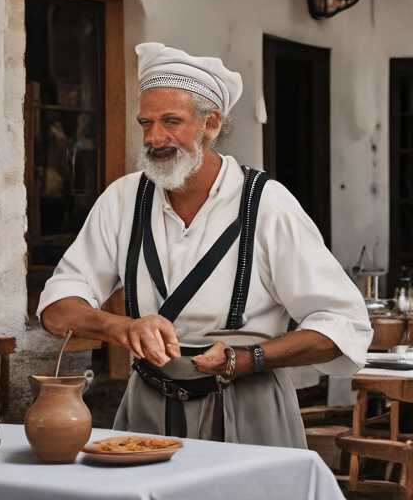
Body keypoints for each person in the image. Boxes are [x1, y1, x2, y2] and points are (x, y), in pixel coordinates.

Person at [38, 43, 372, 449]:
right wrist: (123, 328)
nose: (154, 137)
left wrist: (245, 359)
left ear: (211, 123)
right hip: (146, 410)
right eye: (145, 123)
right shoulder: (122, 199)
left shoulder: (267, 204)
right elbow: (57, 310)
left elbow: (343, 325)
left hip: (249, 410)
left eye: (171, 121)